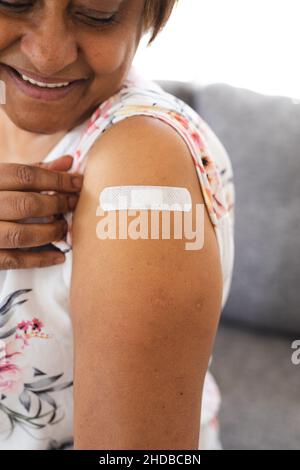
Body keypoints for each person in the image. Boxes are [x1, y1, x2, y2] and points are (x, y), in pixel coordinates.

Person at [0, 0, 234, 450]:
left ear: (151, 16)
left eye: (97, 13)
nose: (49, 54)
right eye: (14, 1)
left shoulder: (141, 166)